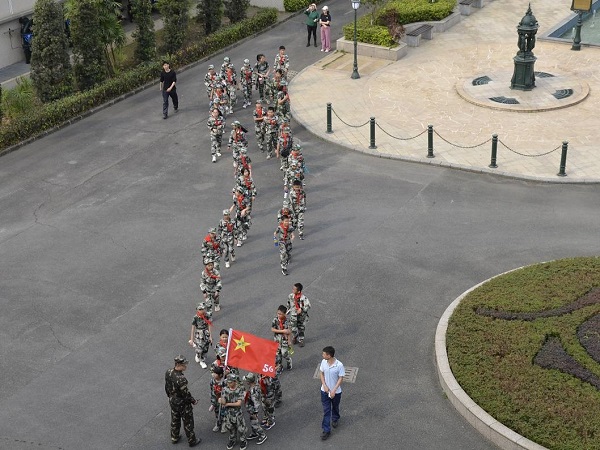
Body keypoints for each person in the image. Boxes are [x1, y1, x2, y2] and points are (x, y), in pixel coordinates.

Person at [165, 355, 201, 447]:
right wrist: (193, 401)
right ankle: (192, 440)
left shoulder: (169, 372)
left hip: (172, 400)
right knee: (188, 422)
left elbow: (167, 386)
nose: (186, 366)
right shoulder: (181, 379)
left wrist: (170, 396)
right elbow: (186, 394)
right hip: (182, 403)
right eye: (184, 364)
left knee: (175, 419)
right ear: (178, 364)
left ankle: (174, 437)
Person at [319, 346, 345, 440]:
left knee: (335, 406)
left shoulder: (339, 365)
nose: (322, 355)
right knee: (326, 411)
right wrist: (324, 385)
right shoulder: (323, 362)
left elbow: (341, 378)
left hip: (336, 392)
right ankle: (326, 430)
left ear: (329, 355)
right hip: (324, 392)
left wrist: (334, 390)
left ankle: (335, 418)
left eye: (324, 354)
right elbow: (321, 373)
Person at [219, 373, 248, 450]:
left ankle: (243, 440)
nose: (229, 383)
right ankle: (232, 439)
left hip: (237, 413)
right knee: (230, 427)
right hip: (229, 413)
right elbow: (224, 401)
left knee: (241, 428)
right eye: (228, 382)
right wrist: (221, 400)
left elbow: (238, 403)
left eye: (230, 382)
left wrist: (228, 404)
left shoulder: (239, 389)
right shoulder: (225, 389)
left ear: (235, 381)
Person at [243, 373, 268, 445]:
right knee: (252, 422)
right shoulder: (256, 385)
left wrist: (255, 413)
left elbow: (256, 403)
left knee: (255, 424)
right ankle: (254, 433)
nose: (246, 381)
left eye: (247, 380)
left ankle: (262, 435)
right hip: (251, 409)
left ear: (249, 381)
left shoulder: (253, 391)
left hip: (253, 410)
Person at [189, 302, 213, 369]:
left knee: (205, 348)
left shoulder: (207, 316)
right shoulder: (195, 317)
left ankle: (201, 357)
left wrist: (210, 336)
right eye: (200, 309)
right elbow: (193, 328)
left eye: (203, 309)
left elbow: (209, 325)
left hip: (206, 333)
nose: (201, 311)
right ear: (197, 310)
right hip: (199, 334)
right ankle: (201, 361)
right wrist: (192, 339)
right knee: (199, 348)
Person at [271, 305, 292, 372]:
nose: (279, 315)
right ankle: (279, 366)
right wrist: (282, 331)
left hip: (284, 341)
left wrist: (289, 340)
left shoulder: (287, 321)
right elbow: (272, 329)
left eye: (281, 314)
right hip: (277, 340)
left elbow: (289, 331)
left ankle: (289, 360)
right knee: (277, 355)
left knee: (284, 353)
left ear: (285, 314)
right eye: (278, 313)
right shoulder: (275, 320)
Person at [209, 366, 226, 433]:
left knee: (223, 412)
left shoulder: (224, 382)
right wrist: (213, 403)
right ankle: (218, 423)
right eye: (213, 373)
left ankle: (224, 424)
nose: (213, 375)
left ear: (220, 375)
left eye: (215, 374)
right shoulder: (212, 381)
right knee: (217, 412)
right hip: (215, 400)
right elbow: (212, 390)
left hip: (222, 401)